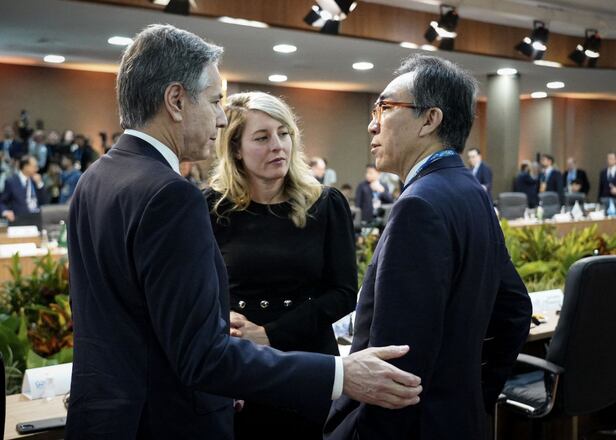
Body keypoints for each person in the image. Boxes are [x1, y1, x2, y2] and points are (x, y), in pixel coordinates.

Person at [66, 24, 422, 439]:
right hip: (166, 420)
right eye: (214, 101)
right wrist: (342, 374)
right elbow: (203, 358)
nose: (221, 117)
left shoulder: (95, 178)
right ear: (176, 101)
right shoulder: (171, 195)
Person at [324, 54, 531, 439]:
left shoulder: (418, 206)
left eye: (385, 107)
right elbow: (515, 310)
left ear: (430, 119)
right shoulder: (472, 190)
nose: (372, 124)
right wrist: (475, 398)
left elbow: (395, 366)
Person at [205, 91, 357, 439]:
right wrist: (225, 320)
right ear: (236, 149)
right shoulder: (211, 207)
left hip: (309, 362)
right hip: (239, 363)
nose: (278, 146)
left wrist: (271, 333)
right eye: (262, 137)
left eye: (284, 133)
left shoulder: (325, 203)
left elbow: (344, 293)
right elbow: (198, 290)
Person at [0, 155, 48, 222]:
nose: (37, 169)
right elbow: (2, 202)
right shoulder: (11, 182)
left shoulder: (36, 180)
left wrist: (40, 184)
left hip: (36, 218)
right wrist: (5, 212)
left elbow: (45, 202)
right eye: (35, 167)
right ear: (26, 167)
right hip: (19, 220)